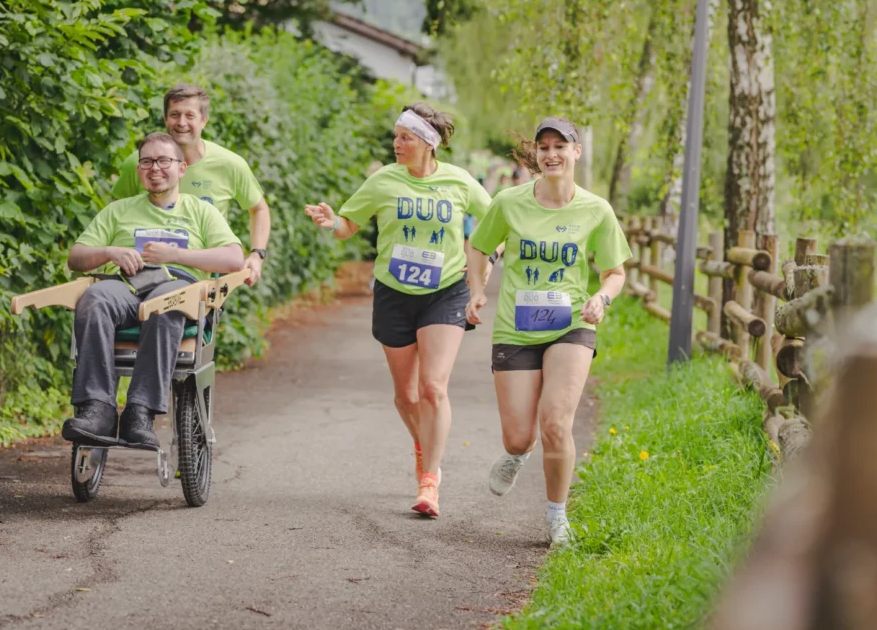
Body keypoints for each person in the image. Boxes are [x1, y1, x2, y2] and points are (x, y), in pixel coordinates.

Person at [304, 102, 495, 518]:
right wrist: (330, 220)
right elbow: (347, 227)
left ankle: (429, 480)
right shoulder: (383, 181)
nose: (396, 144)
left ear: (428, 142)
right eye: (395, 136)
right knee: (406, 396)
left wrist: (485, 267)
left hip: (445, 291)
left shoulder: (460, 182)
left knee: (433, 387)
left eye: (405, 137)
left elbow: (496, 223)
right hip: (393, 292)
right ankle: (425, 445)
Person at [465, 117, 630, 546]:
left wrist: (602, 298)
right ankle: (517, 455)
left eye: (561, 145)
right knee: (519, 436)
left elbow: (615, 272)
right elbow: (478, 245)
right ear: (535, 155)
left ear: (577, 151)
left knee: (556, 423)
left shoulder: (596, 209)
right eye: (544, 147)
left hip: (571, 325)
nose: (551, 154)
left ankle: (558, 519)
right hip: (516, 328)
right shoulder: (509, 201)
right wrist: (478, 289)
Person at [63, 133, 244, 450]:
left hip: (179, 286)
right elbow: (76, 257)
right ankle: (98, 410)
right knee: (93, 298)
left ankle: (140, 413)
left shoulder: (201, 212)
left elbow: (233, 258)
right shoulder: (118, 210)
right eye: (147, 161)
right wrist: (110, 252)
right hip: (127, 286)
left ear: (181, 168)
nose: (155, 168)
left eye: (164, 161)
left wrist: (176, 256)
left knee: (164, 303)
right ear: (139, 170)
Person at [111, 83, 270, 286]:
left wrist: (256, 255)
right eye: (175, 115)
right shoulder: (139, 164)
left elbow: (259, 209)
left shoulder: (229, 165)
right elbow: (116, 216)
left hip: (202, 280)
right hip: (139, 273)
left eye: (190, 116)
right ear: (165, 119)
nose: (181, 123)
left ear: (204, 120)